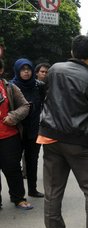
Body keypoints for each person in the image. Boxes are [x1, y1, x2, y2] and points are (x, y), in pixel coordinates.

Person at [38, 35, 88, 228]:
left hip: (50, 136)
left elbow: (47, 94)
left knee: (53, 189)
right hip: (80, 140)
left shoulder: (53, 69)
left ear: (72, 52)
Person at [11, 58, 46, 198]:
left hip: (33, 128)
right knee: (13, 163)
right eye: (23, 69)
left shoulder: (38, 86)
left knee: (32, 161)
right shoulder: (11, 86)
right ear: (17, 71)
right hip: (16, 130)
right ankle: (17, 194)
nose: (26, 72)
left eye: (28, 69)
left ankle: (33, 189)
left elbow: (43, 103)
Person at [0, 58, 32, 210]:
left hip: (8, 137)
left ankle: (18, 198)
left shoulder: (10, 88)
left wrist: (13, 116)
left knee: (12, 168)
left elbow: (25, 105)